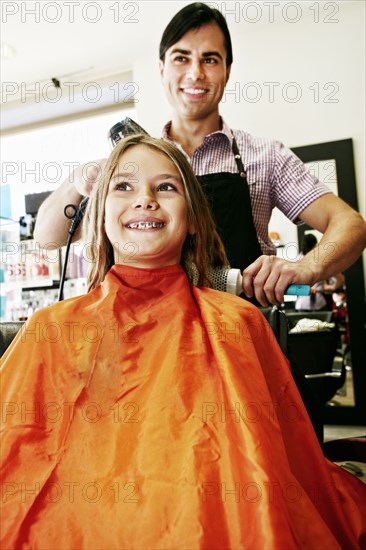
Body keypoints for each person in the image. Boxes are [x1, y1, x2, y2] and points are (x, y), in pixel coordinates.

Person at [1, 135, 365, 549]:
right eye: (123, 187)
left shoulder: (238, 321)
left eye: (167, 187)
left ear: (193, 218)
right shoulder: (52, 328)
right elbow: (17, 454)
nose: (145, 200)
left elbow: (276, 469)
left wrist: (304, 267)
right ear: (99, 215)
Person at [33, 2, 366, 309]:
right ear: (162, 68)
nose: (195, 73)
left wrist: (307, 267)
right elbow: (47, 240)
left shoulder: (266, 156)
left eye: (209, 59)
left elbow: (350, 225)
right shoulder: (133, 166)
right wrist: (77, 182)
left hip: (244, 338)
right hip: (154, 345)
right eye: (181, 58)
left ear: (227, 71)